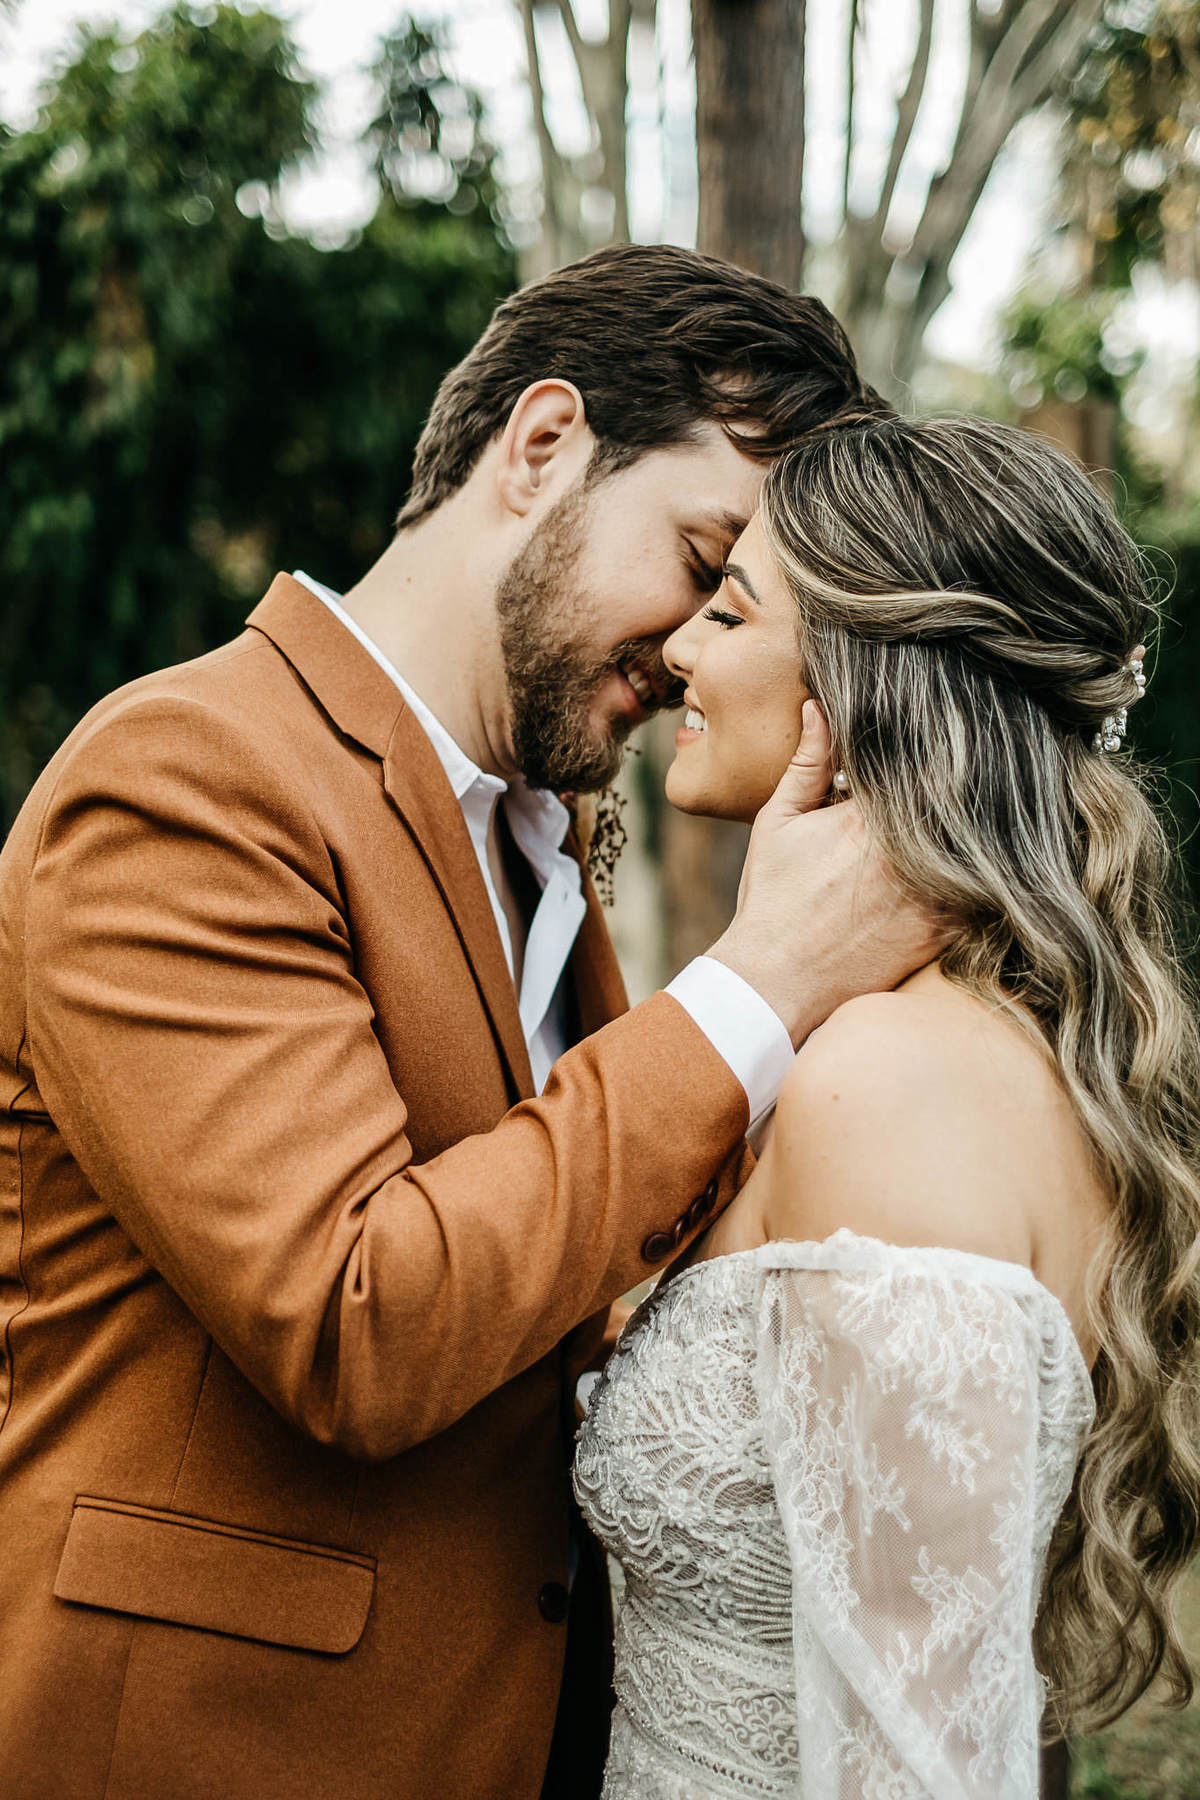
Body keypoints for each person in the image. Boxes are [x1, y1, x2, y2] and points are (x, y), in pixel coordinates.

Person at [0, 245, 938, 1800]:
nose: (702, 641)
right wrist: (764, 981)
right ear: (545, 442)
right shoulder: (183, 777)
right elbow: (356, 1317)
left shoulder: (545, 834)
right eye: (703, 557)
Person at [575, 413, 1200, 1798]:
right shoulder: (934, 1047)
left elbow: (925, 1764)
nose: (681, 647)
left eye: (731, 610)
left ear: (859, 692)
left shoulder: (895, 1086)